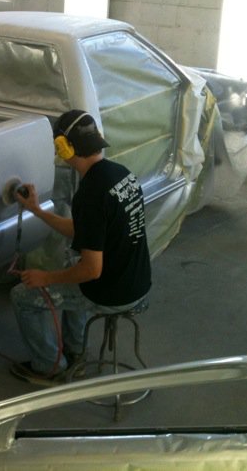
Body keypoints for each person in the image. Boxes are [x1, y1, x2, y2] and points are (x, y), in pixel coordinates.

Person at [9, 109, 152, 386]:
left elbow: (91, 270)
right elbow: (85, 230)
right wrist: (37, 210)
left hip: (113, 292)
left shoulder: (91, 193)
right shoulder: (119, 174)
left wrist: (45, 278)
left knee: (22, 296)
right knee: (70, 268)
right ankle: (77, 353)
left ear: (65, 146)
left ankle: (49, 368)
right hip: (137, 281)